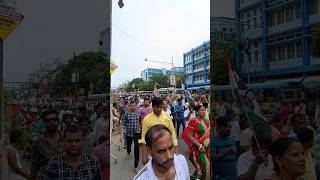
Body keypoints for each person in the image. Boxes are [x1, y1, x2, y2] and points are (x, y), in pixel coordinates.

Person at [139, 97, 178, 166]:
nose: (160, 109)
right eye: (157, 107)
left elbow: (173, 134)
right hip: (153, 151)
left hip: (167, 149)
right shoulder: (146, 119)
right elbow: (143, 139)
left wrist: (175, 149)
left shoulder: (167, 117)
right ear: (152, 107)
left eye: (161, 107)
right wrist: (144, 157)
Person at [30, 109, 64, 180]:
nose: (51, 122)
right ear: (43, 122)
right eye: (48, 120)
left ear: (58, 121)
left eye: (54, 119)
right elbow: (35, 166)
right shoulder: (37, 142)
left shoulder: (66, 139)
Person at [182, 104, 210, 180]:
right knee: (203, 170)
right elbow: (189, 136)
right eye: (202, 110)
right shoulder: (193, 121)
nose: (204, 112)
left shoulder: (206, 120)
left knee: (208, 170)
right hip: (198, 149)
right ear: (197, 112)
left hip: (208, 148)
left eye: (205, 110)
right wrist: (199, 146)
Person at [122, 101, 142, 172]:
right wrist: (123, 131)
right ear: (129, 106)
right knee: (129, 145)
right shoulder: (126, 114)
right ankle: (128, 152)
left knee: (136, 148)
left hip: (137, 132)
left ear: (136, 106)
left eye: (134, 105)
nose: (133, 107)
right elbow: (123, 123)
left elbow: (140, 121)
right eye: (132, 106)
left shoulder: (138, 113)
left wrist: (140, 129)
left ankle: (136, 165)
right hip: (128, 133)